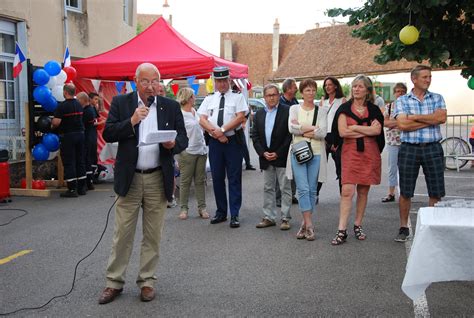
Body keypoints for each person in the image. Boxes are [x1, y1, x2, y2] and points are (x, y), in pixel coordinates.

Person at [98, 63, 188, 304]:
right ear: (135, 82)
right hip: (130, 177)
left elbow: (183, 139)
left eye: (155, 81)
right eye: (145, 82)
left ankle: (147, 281)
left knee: (152, 234)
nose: (150, 86)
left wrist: (173, 144)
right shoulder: (122, 103)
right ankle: (114, 282)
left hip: (158, 177)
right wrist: (132, 121)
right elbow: (108, 133)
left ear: (160, 83)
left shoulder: (170, 106)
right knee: (123, 233)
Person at [393, 65, 447, 242]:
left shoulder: (438, 98)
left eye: (429, 77)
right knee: (406, 191)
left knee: (436, 190)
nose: (428, 79)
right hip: (409, 148)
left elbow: (441, 118)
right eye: (424, 77)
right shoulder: (402, 100)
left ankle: (432, 226)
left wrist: (414, 117)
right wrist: (430, 119)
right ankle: (403, 227)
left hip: (432, 147)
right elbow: (402, 125)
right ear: (414, 79)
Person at [330, 75, 384, 246]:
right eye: (354, 86)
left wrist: (354, 127)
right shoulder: (344, 108)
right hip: (350, 151)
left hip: (369, 152)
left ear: (367, 90)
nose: (356, 89)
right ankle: (341, 230)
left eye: (360, 86)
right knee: (347, 190)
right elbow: (343, 133)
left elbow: (377, 131)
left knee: (363, 190)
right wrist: (366, 129)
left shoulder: (374, 109)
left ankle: (358, 225)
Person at [198, 66, 247, 228]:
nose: (221, 84)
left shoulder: (237, 97)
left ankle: (234, 214)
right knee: (217, 178)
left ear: (229, 80)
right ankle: (221, 212)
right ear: (215, 82)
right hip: (215, 143)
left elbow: (240, 118)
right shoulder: (209, 98)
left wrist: (223, 130)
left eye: (224, 80)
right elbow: (202, 119)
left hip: (233, 142)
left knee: (234, 178)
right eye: (218, 81)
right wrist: (216, 133)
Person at [287, 79, 328, 241]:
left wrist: (302, 129)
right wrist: (313, 128)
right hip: (298, 152)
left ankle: (304, 224)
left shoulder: (322, 111)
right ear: (301, 92)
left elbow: (323, 133)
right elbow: (291, 128)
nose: (310, 93)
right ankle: (309, 225)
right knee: (302, 188)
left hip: (316, 152)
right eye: (307, 90)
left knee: (312, 190)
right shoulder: (294, 108)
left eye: (313, 90)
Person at [252, 84, 292, 230]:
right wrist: (262, 153)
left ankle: (285, 218)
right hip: (266, 157)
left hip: (281, 156)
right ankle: (269, 217)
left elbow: (290, 136)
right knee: (268, 188)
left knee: (285, 187)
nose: (271, 98)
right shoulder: (259, 114)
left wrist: (279, 153)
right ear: (264, 97)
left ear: (279, 95)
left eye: (274, 94)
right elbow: (254, 136)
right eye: (268, 95)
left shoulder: (287, 111)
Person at [176, 87, 209, 220]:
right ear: (188, 98)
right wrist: (179, 153)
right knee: (185, 181)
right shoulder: (179, 115)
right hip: (187, 152)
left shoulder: (194, 112)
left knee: (200, 181)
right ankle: (184, 208)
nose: (195, 98)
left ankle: (202, 208)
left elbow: (202, 127)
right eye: (193, 96)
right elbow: (177, 136)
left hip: (201, 151)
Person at [51, 83, 86, 197]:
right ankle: (82, 188)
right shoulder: (79, 104)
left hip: (68, 136)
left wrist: (51, 125)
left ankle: (72, 190)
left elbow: (56, 122)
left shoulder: (62, 106)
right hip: (81, 134)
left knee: (69, 162)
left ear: (65, 92)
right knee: (80, 160)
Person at [317, 76, 346, 196]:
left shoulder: (342, 100)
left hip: (337, 136)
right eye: (325, 85)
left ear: (335, 86)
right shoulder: (323, 101)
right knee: (320, 167)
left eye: (330, 84)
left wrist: (338, 141)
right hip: (324, 136)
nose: (327, 87)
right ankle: (316, 194)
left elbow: (344, 120)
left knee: (340, 167)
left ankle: (343, 195)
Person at [381, 83, 407, 203]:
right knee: (392, 168)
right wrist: (400, 123)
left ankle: (404, 193)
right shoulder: (389, 106)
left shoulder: (409, 106)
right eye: (398, 91)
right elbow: (384, 123)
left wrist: (394, 122)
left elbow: (410, 122)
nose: (400, 93)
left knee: (405, 169)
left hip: (406, 141)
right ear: (394, 93)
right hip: (392, 142)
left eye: (402, 91)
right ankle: (391, 193)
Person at [277, 78, 299, 205]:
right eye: (294, 86)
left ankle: (291, 194)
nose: (296, 88)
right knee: (282, 170)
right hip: (283, 140)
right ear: (288, 89)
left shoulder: (295, 101)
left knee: (295, 168)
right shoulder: (280, 103)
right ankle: (280, 197)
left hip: (294, 139)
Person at [157, 82, 178, 208]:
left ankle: (171, 196)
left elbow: (180, 133)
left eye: (161, 90)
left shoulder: (171, 107)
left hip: (168, 149)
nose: (159, 93)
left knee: (171, 173)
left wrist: (174, 143)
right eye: (157, 90)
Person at [77, 92, 97, 191]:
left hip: (87, 138)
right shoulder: (90, 110)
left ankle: (87, 182)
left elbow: (81, 124)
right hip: (91, 137)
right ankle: (90, 182)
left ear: (83, 100)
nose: (77, 101)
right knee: (88, 160)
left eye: (78, 100)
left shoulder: (86, 111)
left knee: (85, 160)